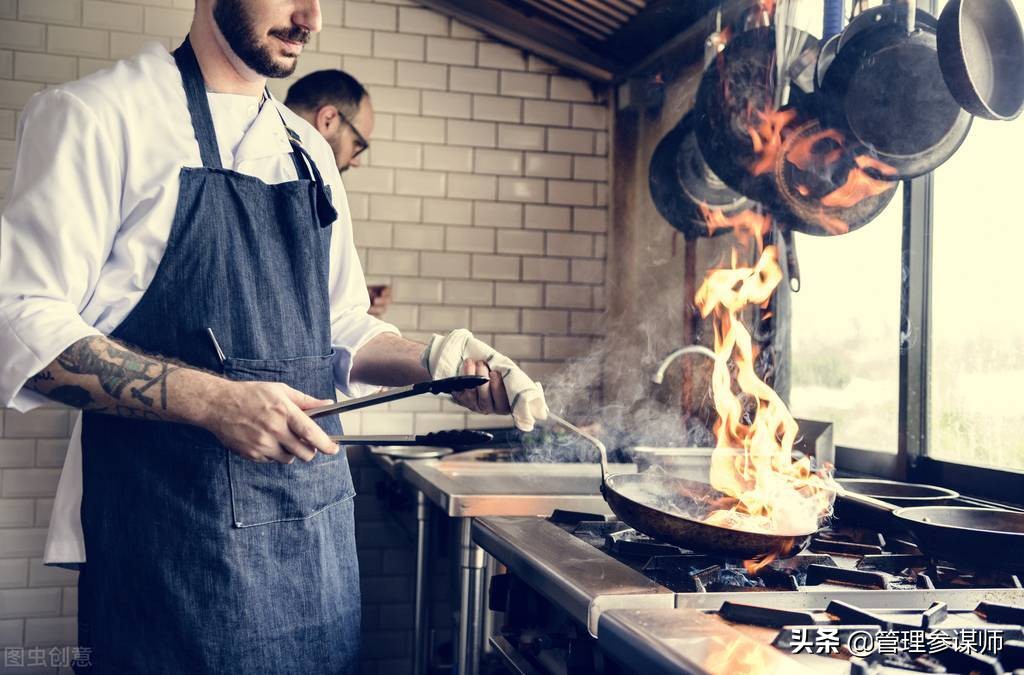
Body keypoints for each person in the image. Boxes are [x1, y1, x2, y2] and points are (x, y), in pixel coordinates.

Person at [0, 1, 547, 673]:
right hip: (170, 556)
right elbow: (20, 320)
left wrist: (438, 361)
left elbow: (339, 324)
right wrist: (214, 402)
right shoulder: (98, 117)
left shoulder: (309, 151)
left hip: (312, 556)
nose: (310, 18)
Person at [285, 69, 391, 316]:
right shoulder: (288, 183)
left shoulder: (314, 186)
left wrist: (345, 303)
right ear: (328, 120)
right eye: (358, 145)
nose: (356, 161)